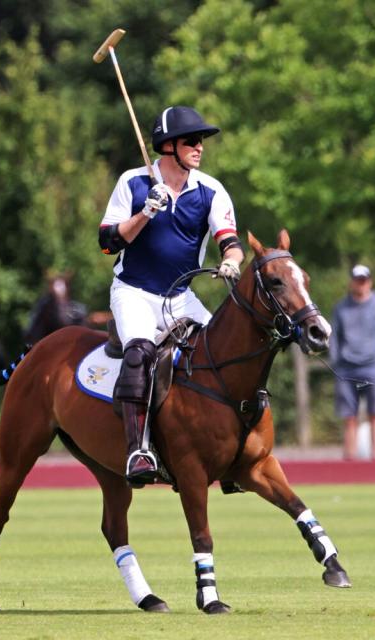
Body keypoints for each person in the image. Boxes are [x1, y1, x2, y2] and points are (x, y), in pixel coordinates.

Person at [98, 106, 244, 485]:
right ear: (168, 147)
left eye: (201, 141)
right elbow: (106, 244)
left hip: (180, 296)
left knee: (223, 354)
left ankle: (231, 453)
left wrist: (230, 261)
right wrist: (146, 212)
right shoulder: (132, 183)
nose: (200, 148)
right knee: (140, 353)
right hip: (134, 292)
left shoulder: (211, 190)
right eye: (192, 141)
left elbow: (231, 243)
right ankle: (138, 451)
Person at [329, 264, 375, 460]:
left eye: (364, 281)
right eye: (357, 280)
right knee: (349, 417)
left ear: (370, 282)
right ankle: (349, 458)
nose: (360, 285)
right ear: (351, 282)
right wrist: (336, 362)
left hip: (374, 367)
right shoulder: (341, 308)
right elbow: (334, 337)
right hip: (346, 367)